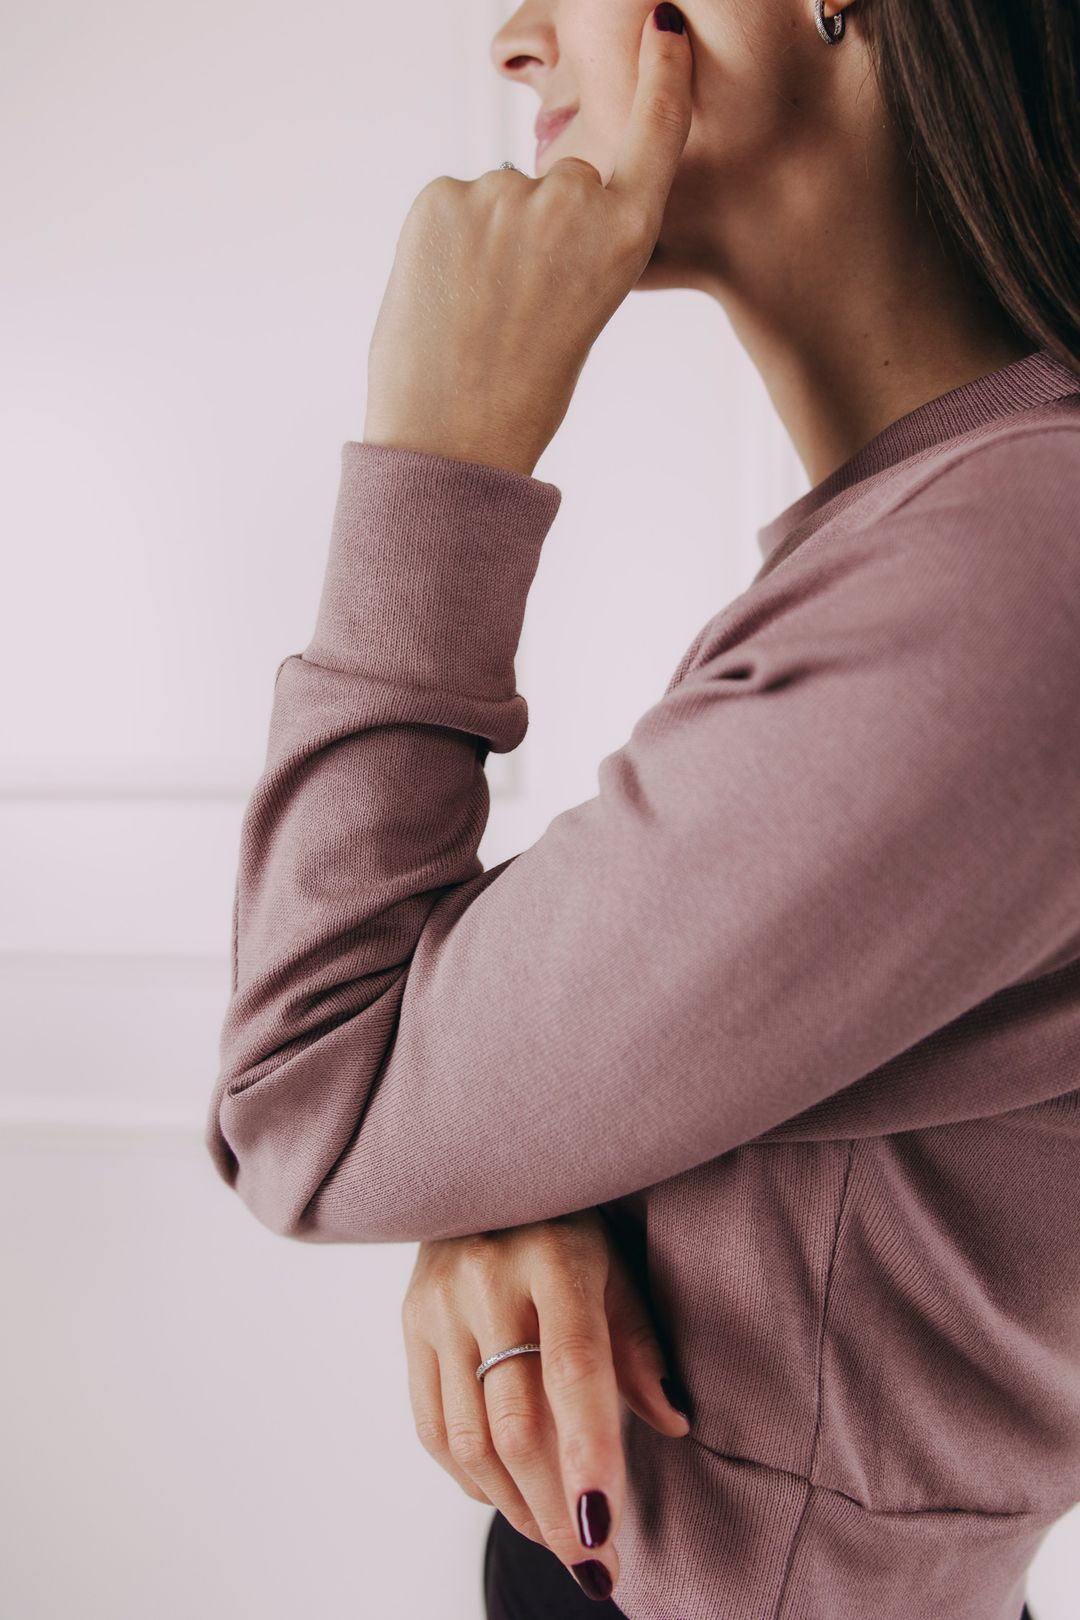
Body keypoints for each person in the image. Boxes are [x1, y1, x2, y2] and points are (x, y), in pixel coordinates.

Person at [204, 0, 1080, 1615]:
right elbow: (435, 1081)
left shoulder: (1014, 578)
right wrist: (506, 1180)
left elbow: (312, 1086)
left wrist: (440, 448)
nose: (516, 39)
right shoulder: (959, 533)